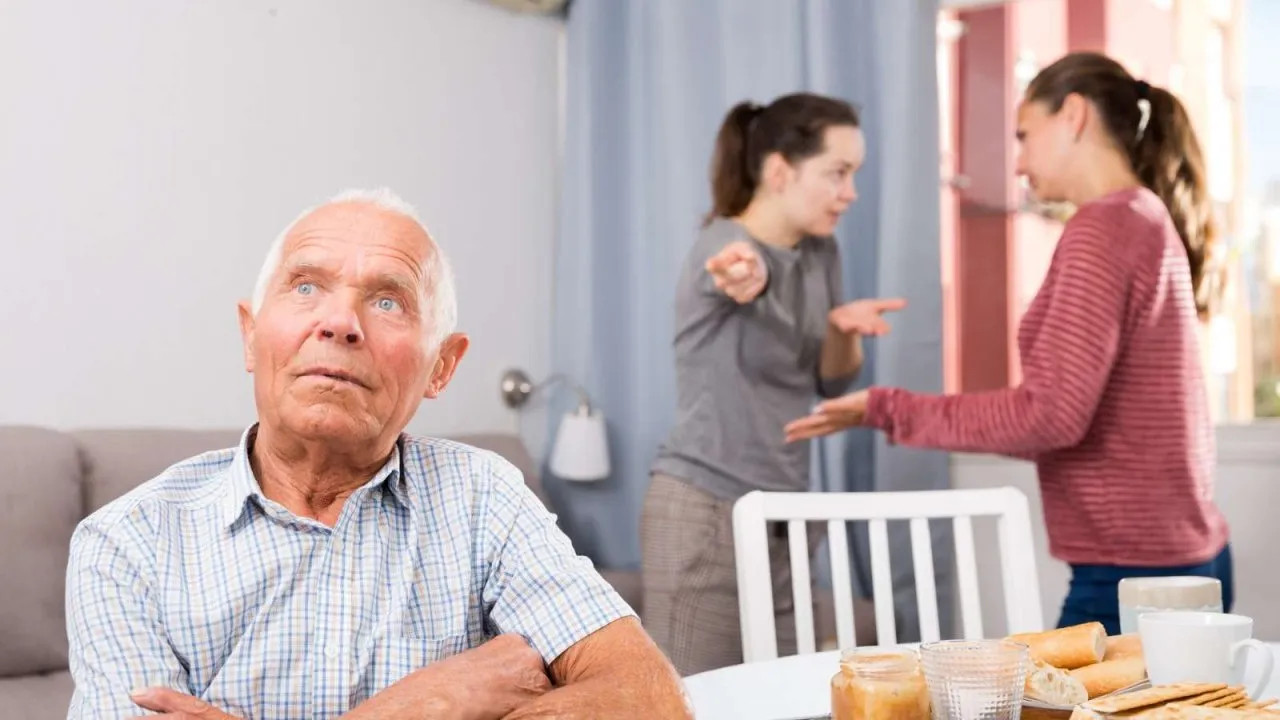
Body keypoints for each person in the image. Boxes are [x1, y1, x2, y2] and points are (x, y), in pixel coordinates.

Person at [65, 188, 692, 719]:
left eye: (387, 300)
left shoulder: (484, 498)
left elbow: (646, 696)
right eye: (306, 286)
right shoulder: (124, 545)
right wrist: (431, 703)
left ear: (442, 366)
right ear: (251, 336)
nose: (340, 323)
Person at [785, 51, 1233, 635]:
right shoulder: (1145, 216)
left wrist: (887, 407)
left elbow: (1050, 417)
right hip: (1179, 559)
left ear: (1072, 115)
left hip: (1136, 574)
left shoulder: (1104, 227)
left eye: (1024, 135)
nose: (1018, 162)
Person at [641, 92, 906, 676]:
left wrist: (840, 329)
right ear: (779, 171)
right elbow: (736, 272)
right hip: (705, 509)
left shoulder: (822, 253)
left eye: (853, 174)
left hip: (786, 512)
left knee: (795, 697)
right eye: (837, 173)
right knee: (694, 703)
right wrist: (748, 273)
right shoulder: (723, 245)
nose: (850, 192)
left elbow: (832, 376)